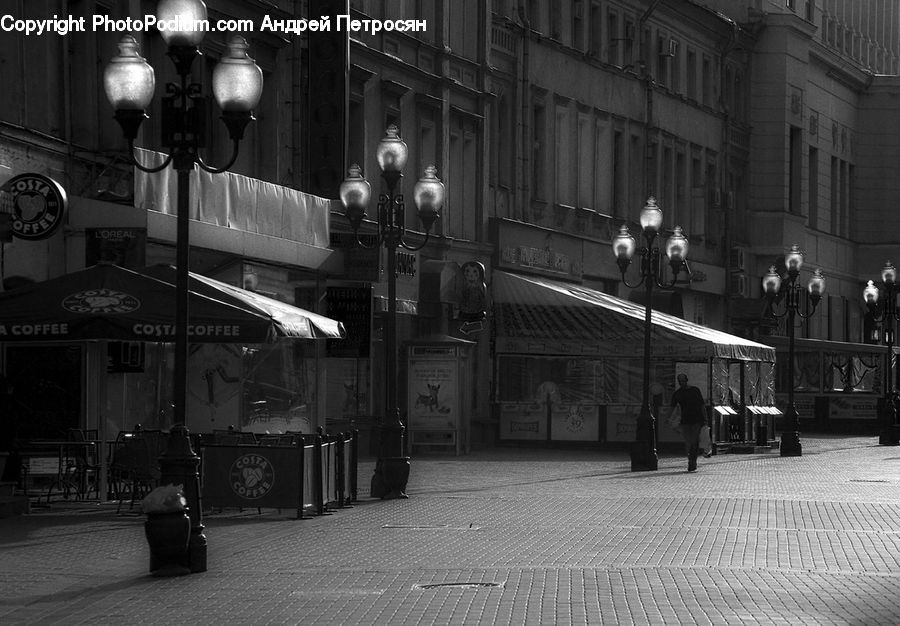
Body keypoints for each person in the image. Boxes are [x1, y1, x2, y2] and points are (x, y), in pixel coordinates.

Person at [670, 373, 707, 472]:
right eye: (680, 381)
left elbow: (702, 405)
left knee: (693, 441)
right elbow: (673, 407)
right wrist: (669, 418)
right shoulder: (679, 393)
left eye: (683, 381)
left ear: (686, 380)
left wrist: (705, 418)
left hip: (696, 420)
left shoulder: (694, 390)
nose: (681, 383)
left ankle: (692, 461)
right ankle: (691, 460)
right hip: (686, 420)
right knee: (689, 442)